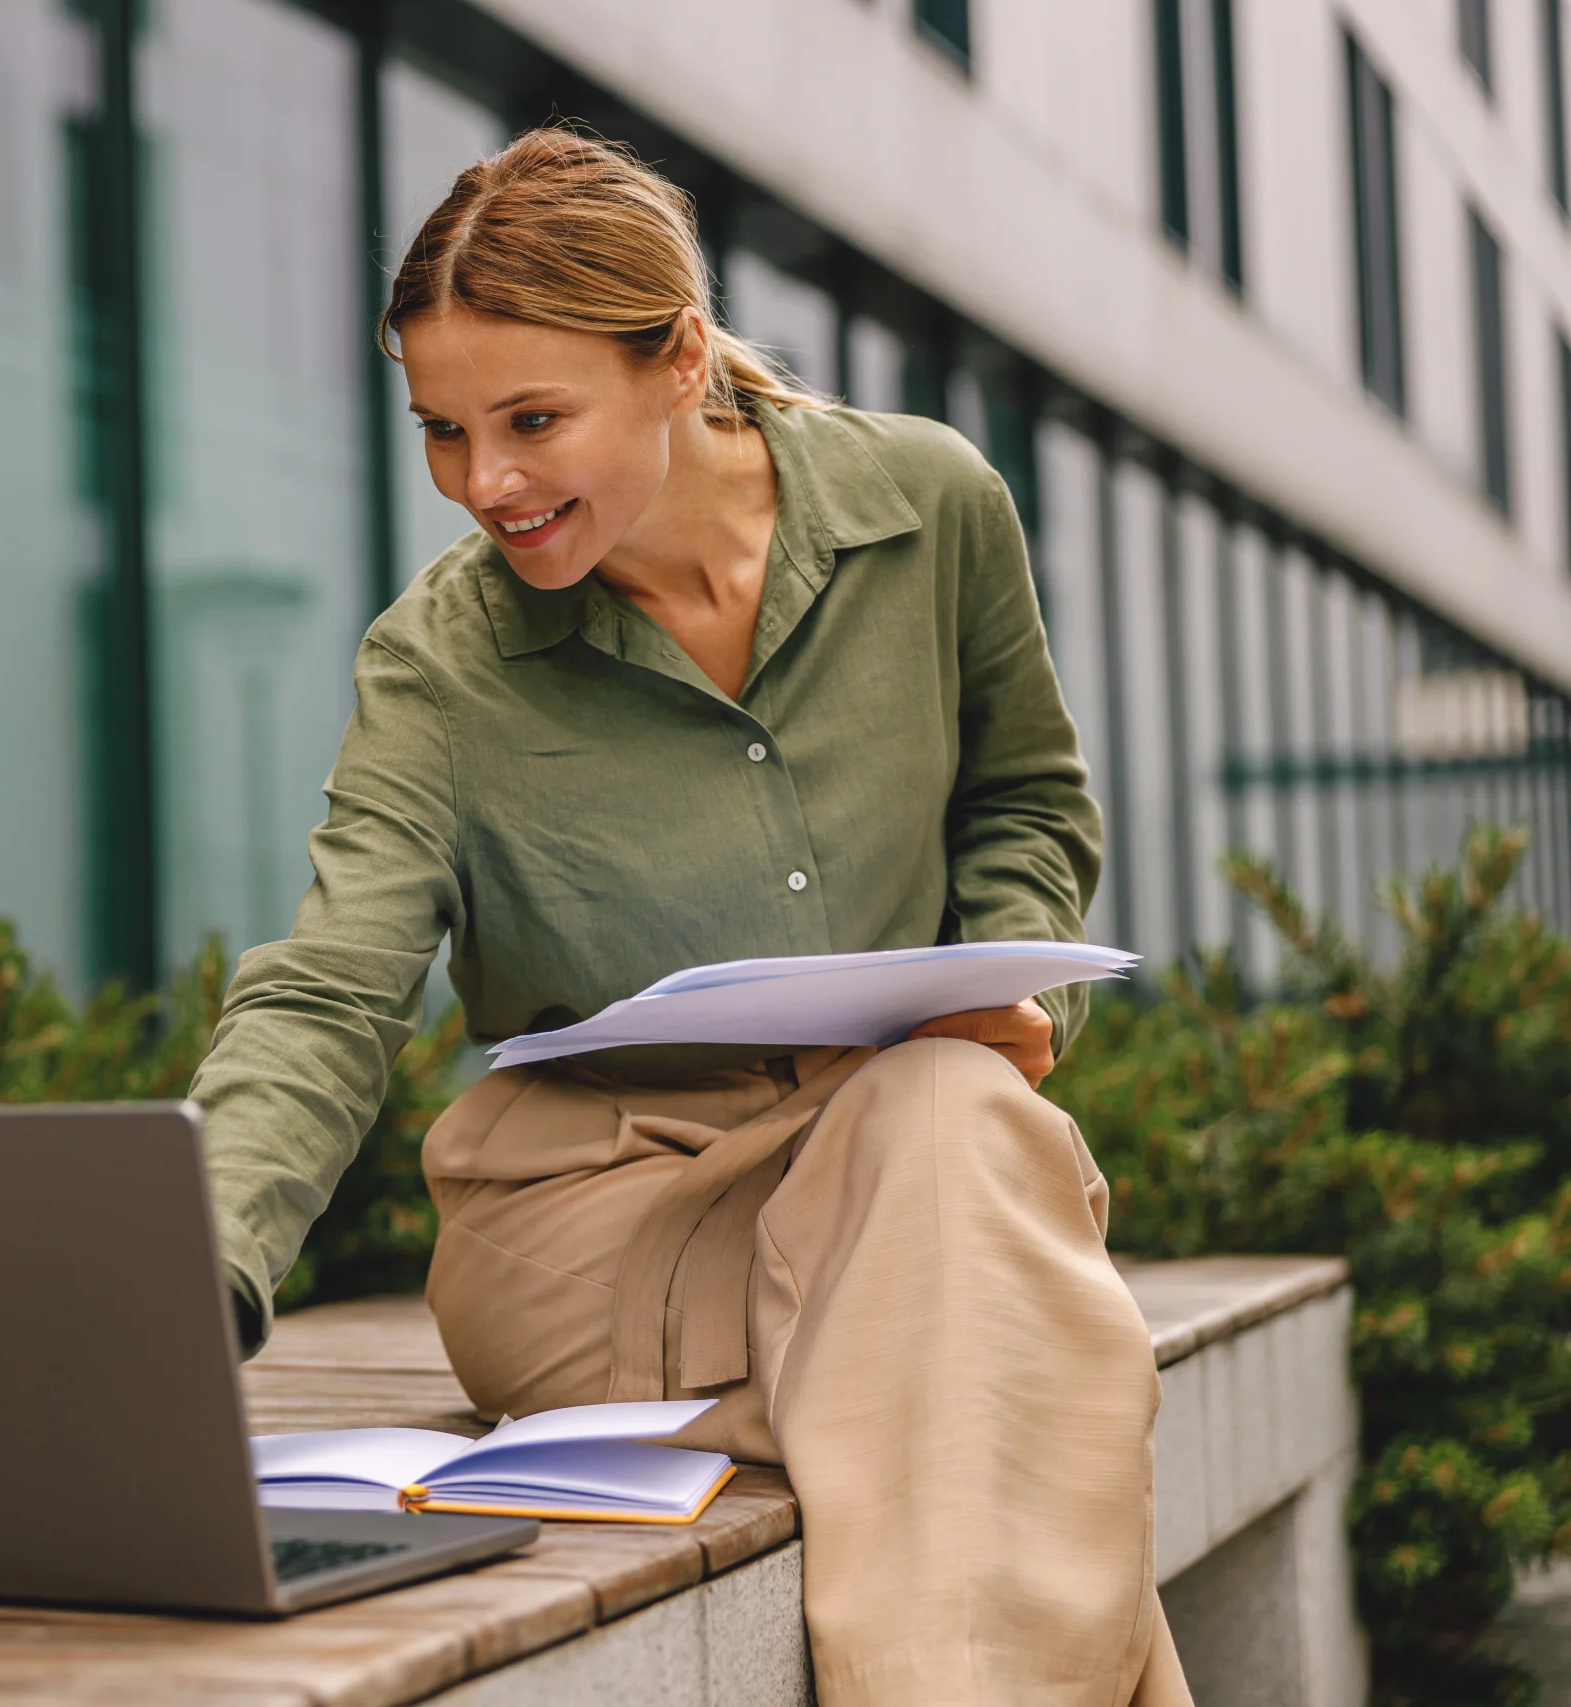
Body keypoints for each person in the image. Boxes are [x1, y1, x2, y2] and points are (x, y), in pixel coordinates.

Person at [184, 129, 1189, 1704]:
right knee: (1003, 1365)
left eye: (530, 419)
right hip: (603, 1231)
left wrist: (1009, 986)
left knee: (949, 1116)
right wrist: (190, 1273)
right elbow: (328, 991)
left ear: (680, 360)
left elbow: (1028, 800)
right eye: (442, 431)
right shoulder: (439, 668)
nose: (483, 482)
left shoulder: (934, 509)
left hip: (897, 1166)